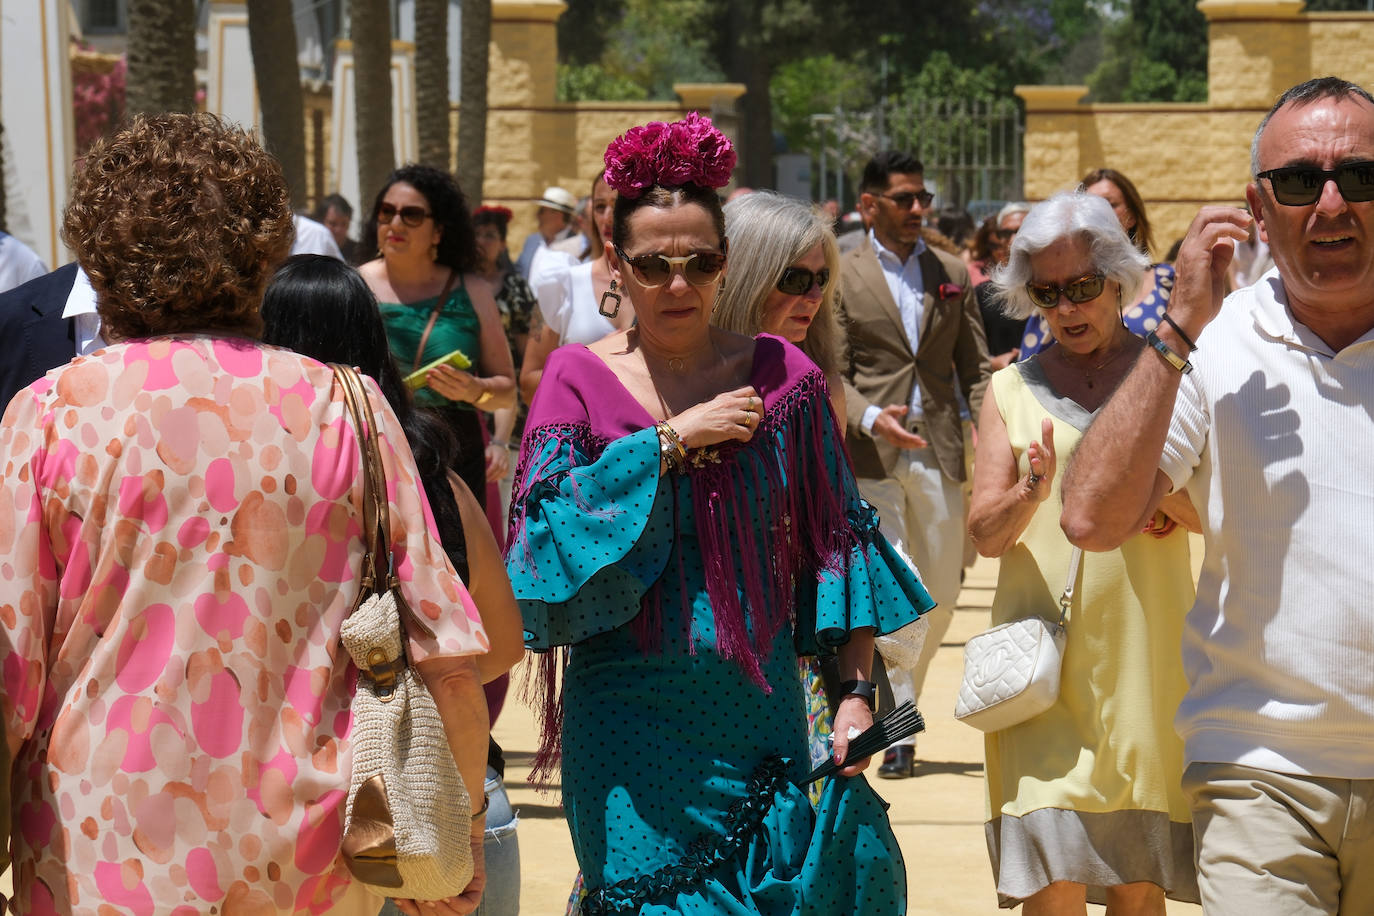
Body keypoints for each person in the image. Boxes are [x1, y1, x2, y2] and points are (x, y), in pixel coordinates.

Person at [0, 112, 493, 915]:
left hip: (98, 855)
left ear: (101, 254)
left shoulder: (51, 413)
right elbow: (448, 661)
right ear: (265, 249)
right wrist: (460, 833)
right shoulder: (352, 407)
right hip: (315, 867)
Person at [506, 113, 933, 915]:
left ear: (725, 264)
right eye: (653, 263)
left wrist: (853, 692)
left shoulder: (786, 375)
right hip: (625, 719)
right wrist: (667, 444)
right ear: (615, 264)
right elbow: (538, 546)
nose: (678, 283)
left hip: (757, 716)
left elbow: (835, 545)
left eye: (699, 262)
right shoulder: (573, 379)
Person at [1061, 76, 1374, 915]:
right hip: (1258, 771)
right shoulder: (1214, 345)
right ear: (1258, 207)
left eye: (1361, 178)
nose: (1333, 203)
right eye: (1301, 182)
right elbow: (1091, 516)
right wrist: (1174, 335)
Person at [261, 254, 525, 916]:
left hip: (299, 822)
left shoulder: (249, 488)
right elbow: (491, 654)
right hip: (439, 797)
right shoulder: (431, 476)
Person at [970, 191, 1199, 912]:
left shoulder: (1173, 381)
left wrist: (1149, 491)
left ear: (1119, 278)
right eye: (1047, 292)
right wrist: (1029, 493)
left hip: (1146, 670)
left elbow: (1216, 514)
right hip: (1042, 675)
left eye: (1082, 287)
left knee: (1137, 893)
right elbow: (984, 536)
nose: (1067, 308)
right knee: (1054, 888)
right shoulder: (1009, 390)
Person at [837, 149, 992, 779]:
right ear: (870, 205)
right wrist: (872, 418)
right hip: (871, 452)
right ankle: (899, 722)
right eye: (905, 198)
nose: (918, 209)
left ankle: (900, 703)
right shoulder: (839, 275)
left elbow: (975, 370)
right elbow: (831, 371)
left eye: (923, 197)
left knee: (944, 594)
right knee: (896, 582)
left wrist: (993, 438)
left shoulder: (951, 270)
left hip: (940, 449)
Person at [360, 164, 517, 512]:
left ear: (438, 232)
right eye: (387, 212)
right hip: (374, 446)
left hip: (454, 457)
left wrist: (475, 390)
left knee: (454, 562)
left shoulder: (471, 290)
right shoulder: (354, 287)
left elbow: (506, 391)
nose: (395, 224)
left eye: (412, 215)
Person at [1020, 169, 1173, 358]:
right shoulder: (1051, 288)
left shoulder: (1165, 280)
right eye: (1089, 205)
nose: (1066, 308)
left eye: (1084, 286)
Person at [520, 172, 623, 403]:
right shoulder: (564, 284)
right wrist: (595, 365)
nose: (607, 217)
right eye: (599, 206)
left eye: (618, 205)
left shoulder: (669, 284)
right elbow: (528, 383)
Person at [977, 203, 1032, 371]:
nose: (1014, 239)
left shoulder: (1055, 286)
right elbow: (968, 352)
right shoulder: (984, 294)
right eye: (1006, 233)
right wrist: (992, 363)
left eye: (1021, 230)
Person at [513, 186, 577, 278]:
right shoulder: (531, 241)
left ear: (558, 215)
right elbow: (518, 272)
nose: (537, 215)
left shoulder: (578, 247)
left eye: (542, 211)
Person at [314, 192, 362, 263]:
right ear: (321, 222)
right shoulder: (312, 249)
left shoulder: (359, 252)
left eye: (344, 224)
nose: (338, 230)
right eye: (333, 224)